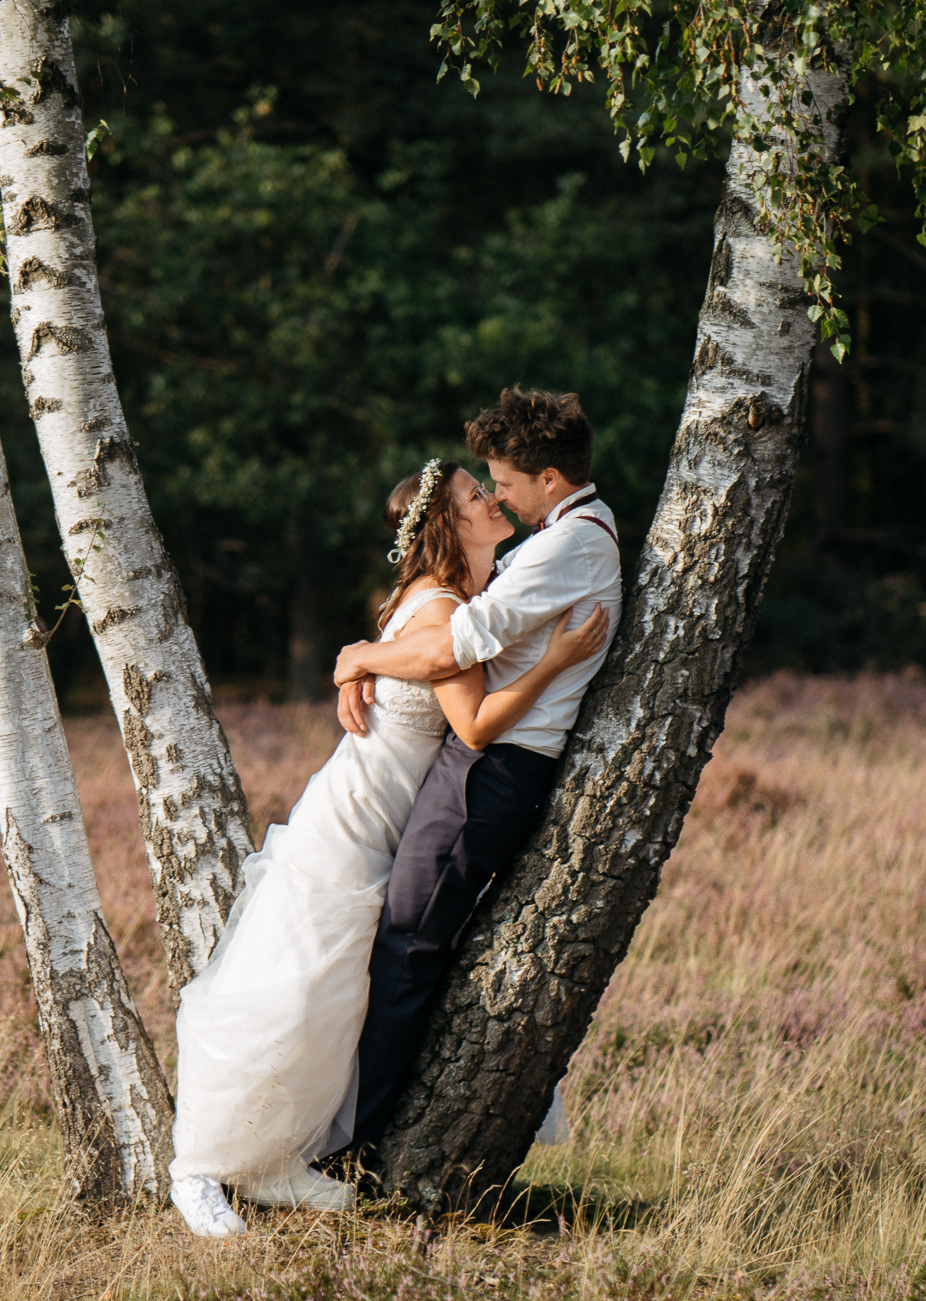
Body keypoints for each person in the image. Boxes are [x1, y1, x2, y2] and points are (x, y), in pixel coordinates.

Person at [168, 455, 610, 1239]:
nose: (493, 498)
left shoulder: (449, 599)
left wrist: (360, 656)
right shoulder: (441, 606)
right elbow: (472, 725)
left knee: (335, 990)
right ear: (450, 523)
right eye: (478, 495)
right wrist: (554, 662)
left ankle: (279, 1158)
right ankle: (200, 1167)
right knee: (291, 980)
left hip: (386, 812)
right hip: (361, 812)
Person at [333, 387, 621, 1159]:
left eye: (504, 480)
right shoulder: (566, 533)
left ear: (551, 479)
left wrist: (359, 656)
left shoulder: (571, 545)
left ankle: (356, 1145)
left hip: (487, 771)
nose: (497, 493)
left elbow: (447, 649)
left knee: (407, 947)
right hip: (483, 765)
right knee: (406, 943)